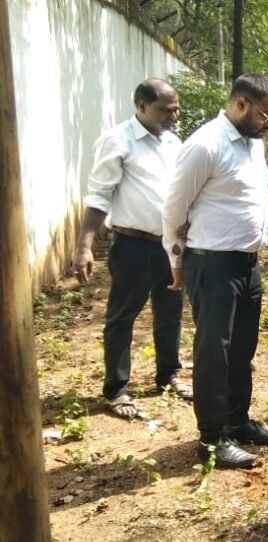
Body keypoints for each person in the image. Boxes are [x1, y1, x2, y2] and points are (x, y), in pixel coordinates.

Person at [162, 74, 268, 469]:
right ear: (240, 104)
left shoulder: (253, 145)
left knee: (242, 348)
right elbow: (173, 209)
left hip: (247, 264)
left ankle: (238, 420)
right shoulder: (205, 145)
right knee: (213, 352)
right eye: (266, 113)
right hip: (212, 264)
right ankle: (212, 440)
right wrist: (177, 264)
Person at [75, 78, 191, 419]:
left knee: (170, 312)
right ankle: (117, 388)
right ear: (141, 106)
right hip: (133, 246)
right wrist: (84, 246)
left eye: (176, 109)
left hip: (170, 246)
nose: (174, 115)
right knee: (122, 317)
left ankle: (168, 374)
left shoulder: (172, 142)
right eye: (165, 110)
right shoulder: (118, 140)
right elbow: (99, 194)